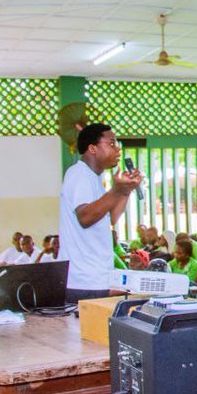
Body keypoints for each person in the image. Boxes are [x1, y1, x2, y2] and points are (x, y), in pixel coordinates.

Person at [59, 123, 143, 303]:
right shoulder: (79, 174)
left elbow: (111, 217)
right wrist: (116, 189)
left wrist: (126, 190)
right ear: (92, 148)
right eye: (111, 144)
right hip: (84, 281)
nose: (117, 149)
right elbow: (85, 217)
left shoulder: (95, 178)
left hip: (97, 278)